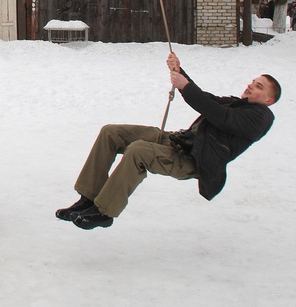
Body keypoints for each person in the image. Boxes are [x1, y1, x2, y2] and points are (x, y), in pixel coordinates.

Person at [55, 52, 280, 230]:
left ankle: (104, 212)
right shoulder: (237, 104)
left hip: (191, 160)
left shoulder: (260, 118)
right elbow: (207, 98)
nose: (251, 85)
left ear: (269, 100)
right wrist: (179, 72)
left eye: (259, 86)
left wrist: (185, 85)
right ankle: (88, 198)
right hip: (177, 141)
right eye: (253, 81)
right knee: (111, 133)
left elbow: (217, 115)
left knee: (138, 151)